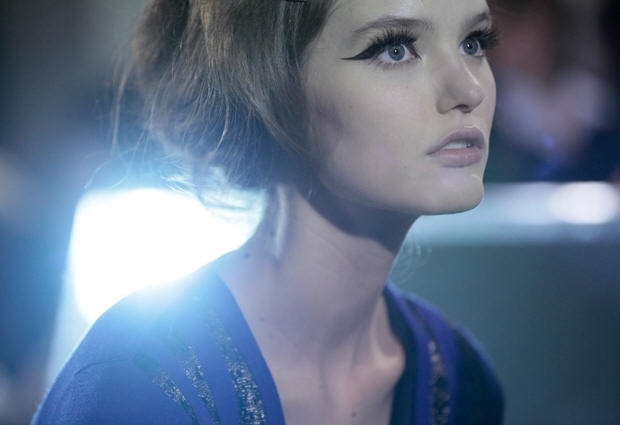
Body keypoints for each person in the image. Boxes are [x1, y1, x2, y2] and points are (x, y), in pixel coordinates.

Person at [31, 0, 504, 423]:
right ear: (267, 86)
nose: (469, 89)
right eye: (395, 49)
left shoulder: (459, 378)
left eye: (473, 42)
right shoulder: (137, 389)